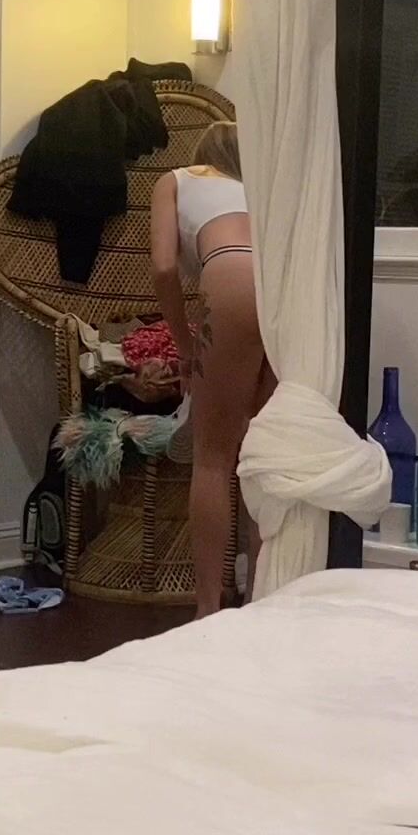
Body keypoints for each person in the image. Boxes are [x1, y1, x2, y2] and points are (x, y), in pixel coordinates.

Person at [149, 123, 273, 617]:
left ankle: (207, 608)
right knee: (264, 454)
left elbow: (163, 268)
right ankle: (263, 599)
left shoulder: (175, 180)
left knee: (213, 458)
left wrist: (184, 345)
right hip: (285, 286)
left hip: (231, 275)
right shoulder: (260, 188)